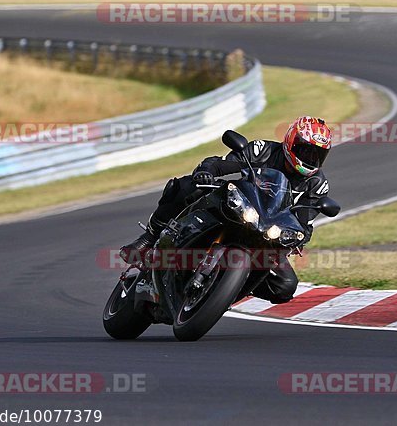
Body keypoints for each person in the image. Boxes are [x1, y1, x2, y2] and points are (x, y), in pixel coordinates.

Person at [120, 116, 333, 304]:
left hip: (268, 233)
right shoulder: (264, 150)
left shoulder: (317, 185)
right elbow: (223, 164)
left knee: (285, 286)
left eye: (317, 155)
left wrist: (296, 238)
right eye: (305, 150)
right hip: (240, 205)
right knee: (186, 186)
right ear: (290, 142)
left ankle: (226, 289)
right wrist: (207, 172)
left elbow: (303, 225)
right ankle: (149, 237)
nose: (310, 158)